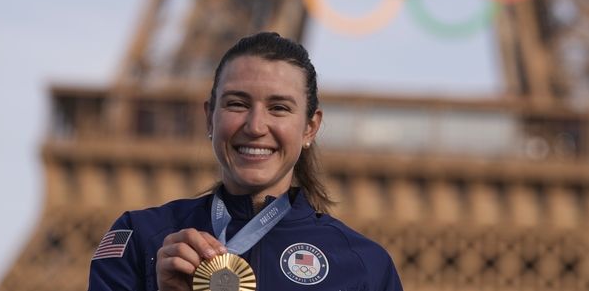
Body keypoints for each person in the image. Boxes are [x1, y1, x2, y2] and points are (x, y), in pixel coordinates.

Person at [88, 32, 403, 291]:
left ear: (310, 127)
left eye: (278, 108)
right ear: (210, 118)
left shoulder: (367, 266)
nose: (255, 126)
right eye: (237, 104)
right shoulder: (141, 238)